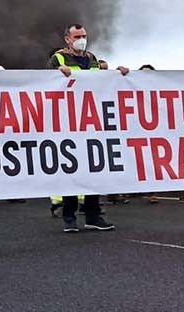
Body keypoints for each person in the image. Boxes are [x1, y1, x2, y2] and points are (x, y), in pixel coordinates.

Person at [51, 24, 124, 233]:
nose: (82, 39)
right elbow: (45, 82)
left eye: (84, 36)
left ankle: (93, 215)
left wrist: (118, 74)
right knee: (71, 170)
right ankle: (69, 217)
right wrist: (58, 73)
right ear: (67, 39)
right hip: (68, 122)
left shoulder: (92, 59)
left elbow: (102, 84)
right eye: (77, 36)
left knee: (94, 169)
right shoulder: (58, 59)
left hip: (91, 122)